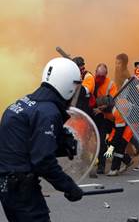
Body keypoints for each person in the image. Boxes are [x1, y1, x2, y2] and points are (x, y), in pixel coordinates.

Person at [0, 58, 84, 221]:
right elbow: (43, 160)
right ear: (67, 85)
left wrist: (59, 142)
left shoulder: (23, 103)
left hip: (7, 185)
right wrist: (69, 186)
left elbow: (23, 144)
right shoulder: (48, 112)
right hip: (22, 186)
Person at [92, 63, 118, 174]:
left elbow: (112, 101)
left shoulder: (110, 84)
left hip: (105, 117)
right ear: (95, 72)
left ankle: (101, 166)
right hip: (92, 115)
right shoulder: (91, 81)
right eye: (98, 75)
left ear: (106, 74)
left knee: (104, 141)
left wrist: (100, 109)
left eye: (102, 76)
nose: (100, 78)